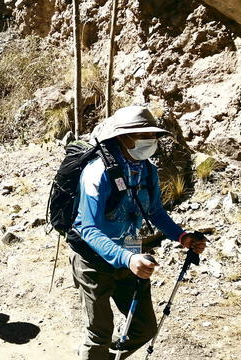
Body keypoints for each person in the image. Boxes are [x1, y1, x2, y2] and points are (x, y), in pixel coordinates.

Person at [69, 106, 207, 359]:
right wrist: (128, 259)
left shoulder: (147, 170)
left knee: (143, 328)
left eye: (152, 135)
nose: (150, 141)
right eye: (142, 135)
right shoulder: (97, 173)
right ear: (122, 137)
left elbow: (154, 211)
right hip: (93, 260)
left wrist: (181, 236)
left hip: (131, 251)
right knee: (99, 333)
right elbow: (87, 227)